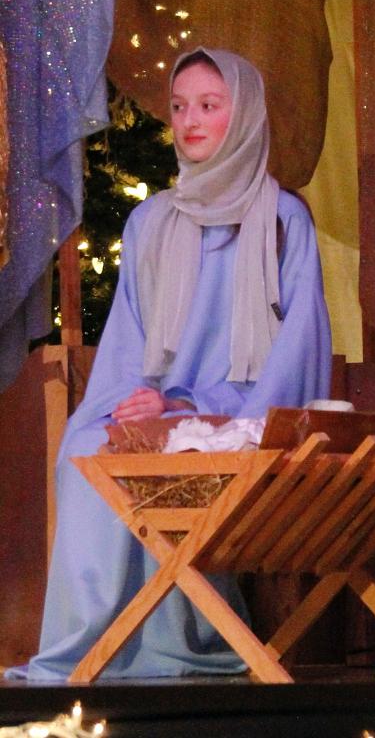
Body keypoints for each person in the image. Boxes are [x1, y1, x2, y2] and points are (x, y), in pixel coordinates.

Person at [7, 47, 332, 680]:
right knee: (85, 446)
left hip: (240, 416)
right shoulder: (150, 222)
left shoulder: (283, 220)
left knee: (186, 451)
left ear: (245, 114)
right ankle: (93, 649)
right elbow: (128, 344)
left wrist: (195, 410)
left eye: (209, 105)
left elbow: (298, 352)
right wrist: (135, 408)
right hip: (159, 409)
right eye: (180, 107)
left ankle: (176, 638)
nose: (190, 120)